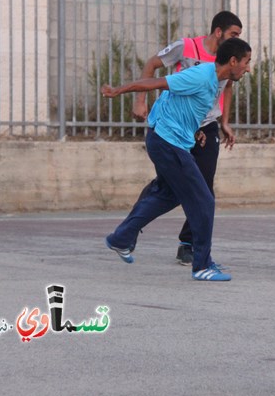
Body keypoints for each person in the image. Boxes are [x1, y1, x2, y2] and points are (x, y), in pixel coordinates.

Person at [101, 37, 252, 282]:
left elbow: (184, 107)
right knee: (204, 200)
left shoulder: (216, 81)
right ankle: (202, 265)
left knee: (167, 194)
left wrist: (196, 132)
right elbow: (155, 83)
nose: (248, 68)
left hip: (171, 139)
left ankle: (120, 238)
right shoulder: (201, 76)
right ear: (233, 61)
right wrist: (118, 91)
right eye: (246, 62)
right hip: (166, 141)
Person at [133, 11, 243, 266]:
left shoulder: (228, 59)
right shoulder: (187, 46)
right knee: (166, 184)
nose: (236, 39)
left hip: (207, 126)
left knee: (204, 186)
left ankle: (188, 244)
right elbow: (151, 65)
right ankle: (133, 224)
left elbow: (228, 87)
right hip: (178, 126)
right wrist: (140, 100)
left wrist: (224, 122)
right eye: (234, 34)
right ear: (219, 31)